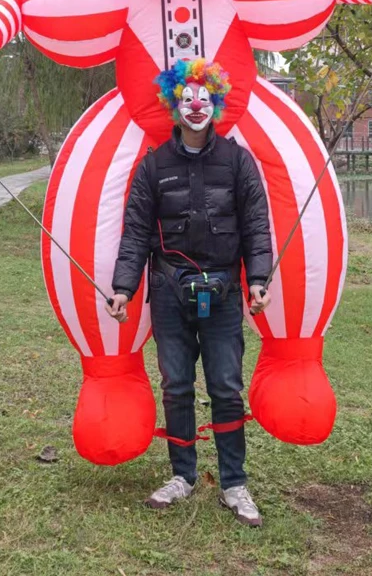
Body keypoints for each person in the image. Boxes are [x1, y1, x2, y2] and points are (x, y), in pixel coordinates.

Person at [105, 58, 273, 526]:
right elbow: (136, 232)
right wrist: (124, 288)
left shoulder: (239, 162)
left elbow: (258, 227)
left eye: (204, 98)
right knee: (176, 387)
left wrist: (258, 279)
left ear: (215, 103)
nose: (196, 106)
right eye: (187, 99)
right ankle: (182, 475)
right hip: (168, 293)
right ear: (174, 106)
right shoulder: (153, 166)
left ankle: (234, 483)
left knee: (226, 387)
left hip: (222, 296)